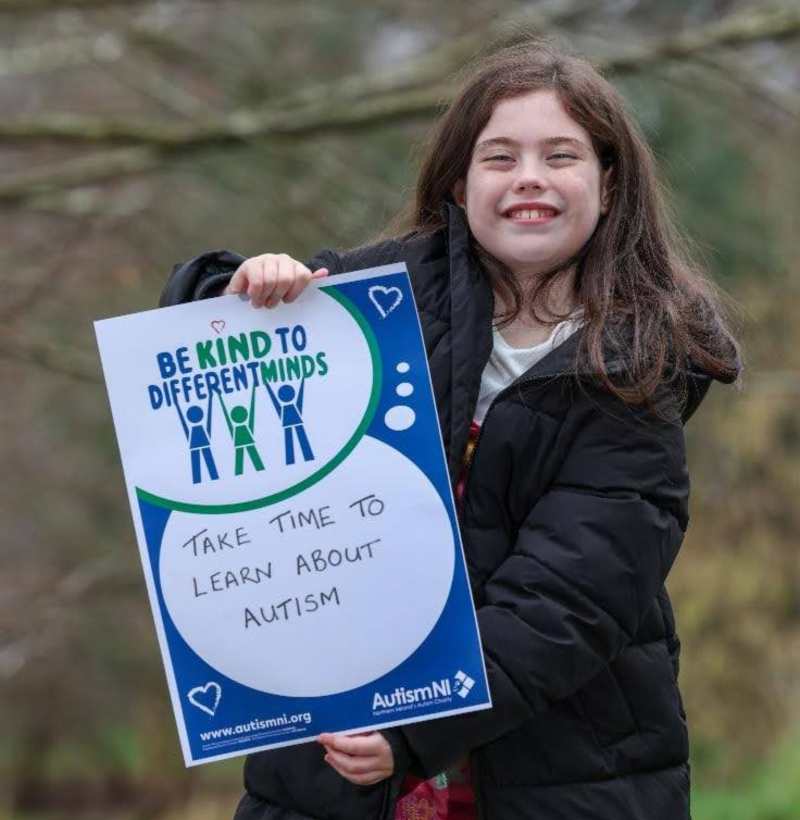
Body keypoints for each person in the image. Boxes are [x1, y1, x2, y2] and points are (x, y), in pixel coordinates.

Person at [160, 38, 741, 820]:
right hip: (334, 772)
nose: (529, 177)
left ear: (608, 182)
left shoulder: (637, 368)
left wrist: (409, 729)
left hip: (560, 774)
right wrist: (236, 292)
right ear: (460, 182)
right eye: (500, 156)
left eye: (560, 155)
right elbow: (205, 387)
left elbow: (567, 603)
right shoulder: (375, 303)